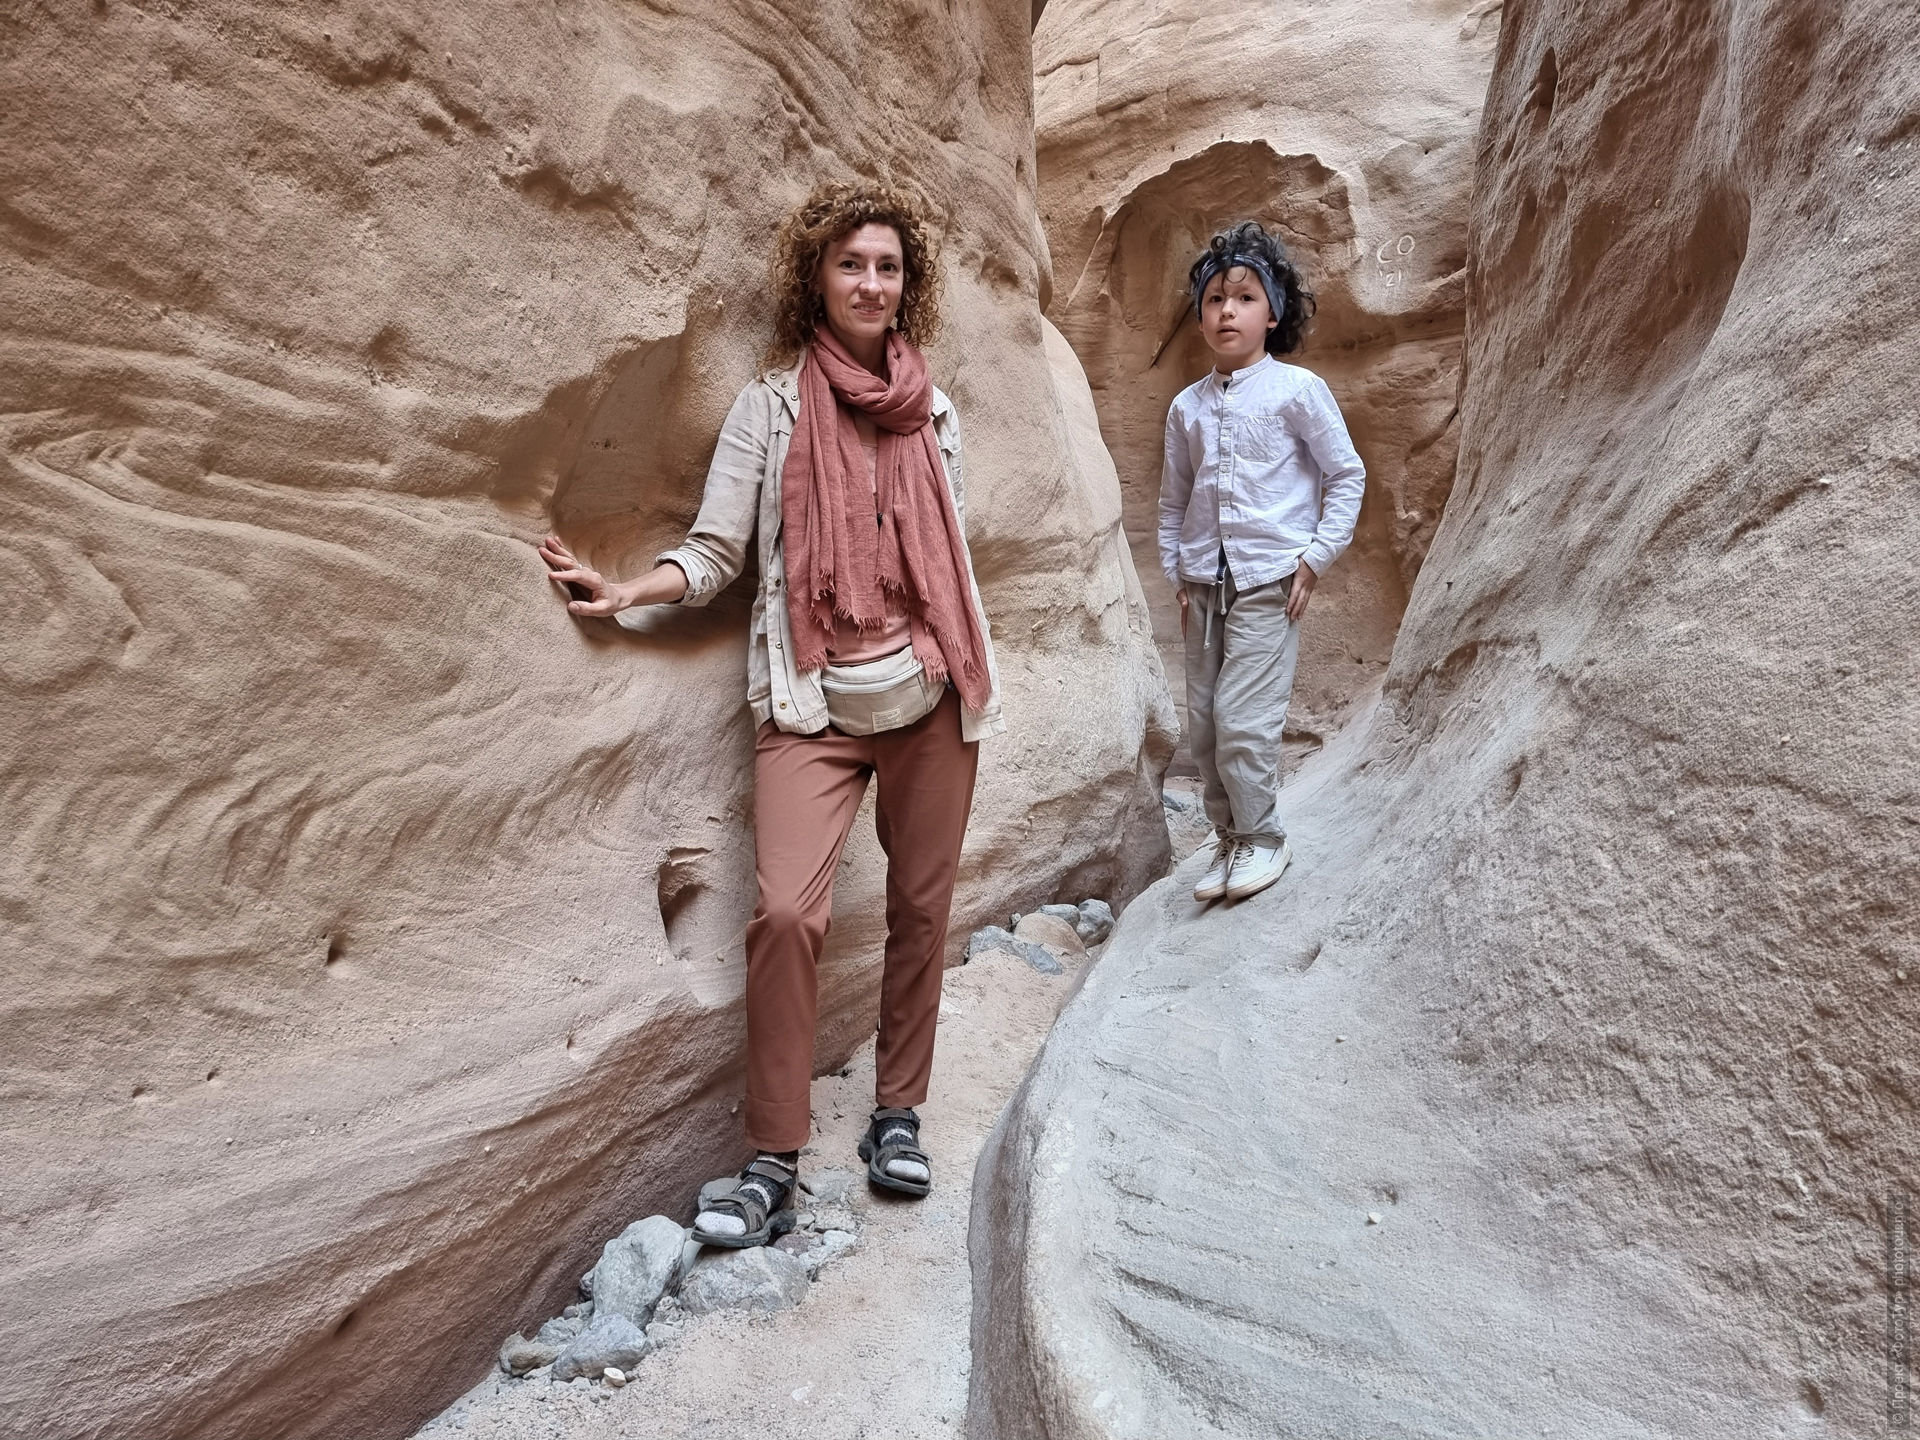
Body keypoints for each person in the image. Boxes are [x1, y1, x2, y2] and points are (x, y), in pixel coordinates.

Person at [537, 181, 1004, 1248]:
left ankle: (898, 1114)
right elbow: (717, 552)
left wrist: (942, 651)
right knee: (787, 916)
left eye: (888, 267)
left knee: (923, 910)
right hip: (812, 700)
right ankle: (772, 1158)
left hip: (931, 695)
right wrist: (628, 589)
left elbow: (949, 557)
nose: (871, 284)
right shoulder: (772, 406)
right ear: (816, 279)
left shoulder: (934, 412)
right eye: (851, 264)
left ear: (908, 285)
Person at [1158, 220, 1365, 904]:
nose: (1228, 311)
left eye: (1245, 298)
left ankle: (1264, 837)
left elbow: (1346, 474)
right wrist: (1178, 572)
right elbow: (1174, 498)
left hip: (1270, 582)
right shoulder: (1186, 408)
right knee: (1205, 723)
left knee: (1244, 719)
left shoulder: (1297, 390)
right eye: (1215, 299)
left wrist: (1316, 557)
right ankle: (1229, 838)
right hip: (1203, 586)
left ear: (1272, 313)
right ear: (1200, 317)